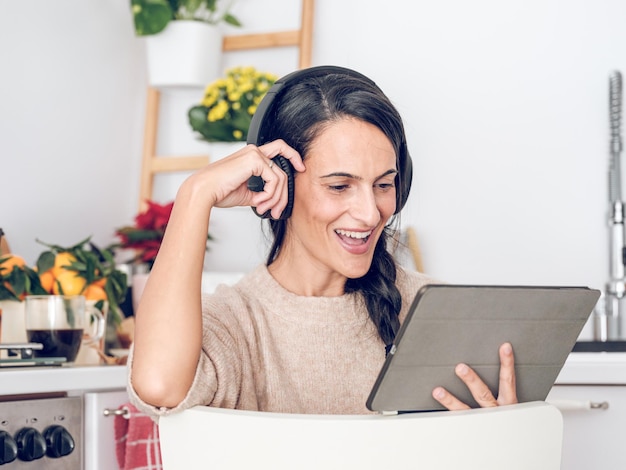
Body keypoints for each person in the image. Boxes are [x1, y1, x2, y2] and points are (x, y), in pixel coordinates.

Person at [129, 66, 517, 417]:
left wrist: (502, 440)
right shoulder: (235, 325)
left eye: (384, 184)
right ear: (279, 181)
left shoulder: (440, 311)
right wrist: (195, 195)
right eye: (339, 185)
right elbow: (160, 386)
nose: (369, 212)